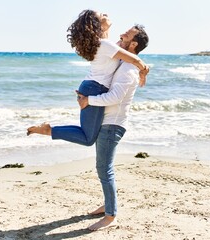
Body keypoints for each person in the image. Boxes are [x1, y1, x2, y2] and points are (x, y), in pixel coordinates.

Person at [27, 10, 149, 146]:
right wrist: (144, 71)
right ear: (97, 25)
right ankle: (49, 130)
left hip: (92, 87)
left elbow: (124, 49)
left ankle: (50, 130)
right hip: (94, 88)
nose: (106, 14)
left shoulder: (105, 44)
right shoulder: (106, 45)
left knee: (87, 134)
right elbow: (135, 60)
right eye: (102, 15)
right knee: (88, 138)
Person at [76, 24, 149, 231]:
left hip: (113, 124)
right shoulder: (124, 62)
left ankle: (110, 216)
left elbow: (115, 97)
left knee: (104, 168)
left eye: (128, 34)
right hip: (108, 121)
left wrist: (88, 100)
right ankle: (108, 205)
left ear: (133, 43)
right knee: (103, 168)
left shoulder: (128, 69)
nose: (122, 34)